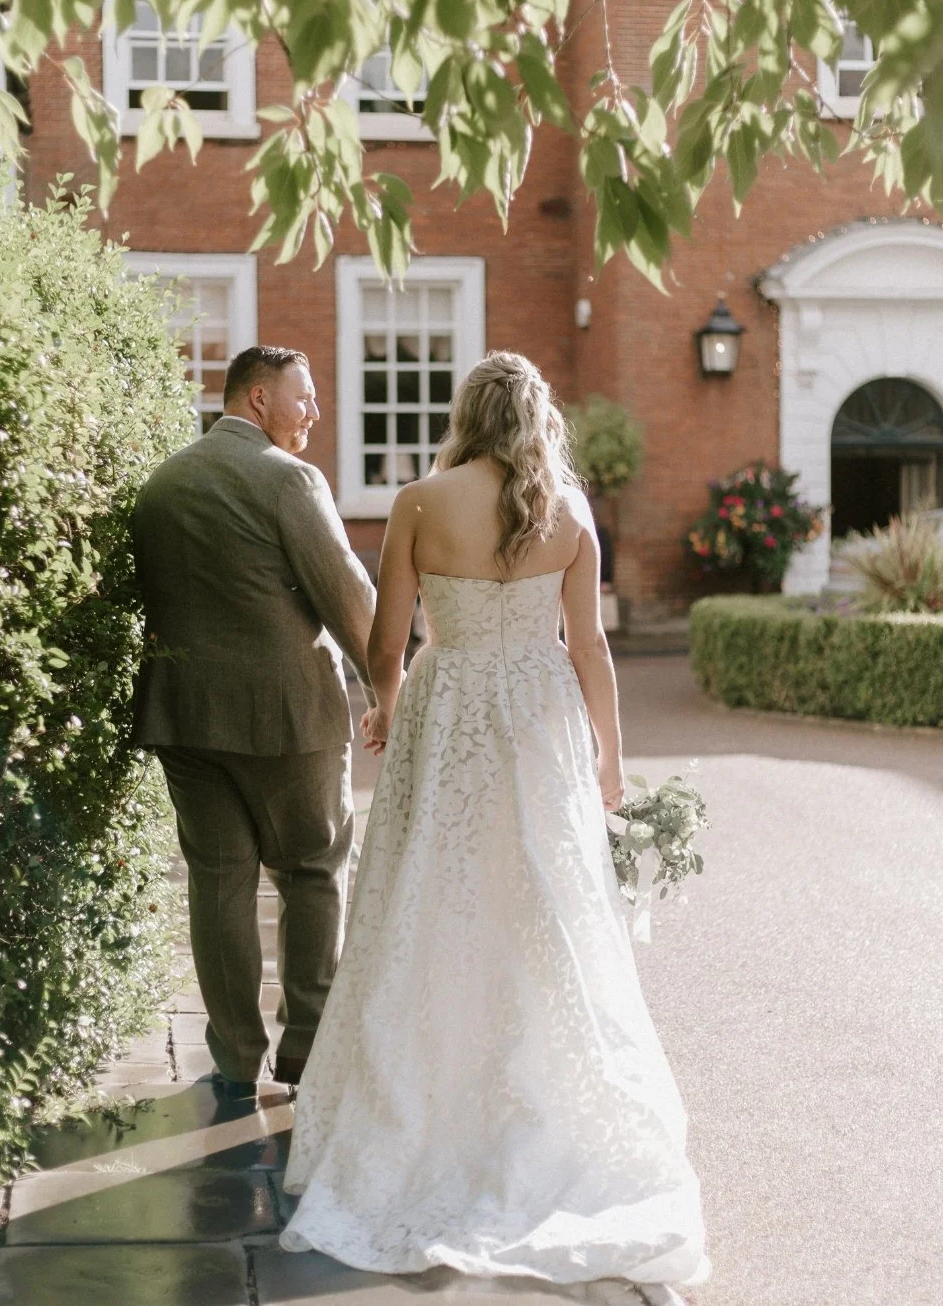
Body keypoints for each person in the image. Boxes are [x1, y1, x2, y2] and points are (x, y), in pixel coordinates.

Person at [280, 350, 708, 1288]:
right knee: (544, 904)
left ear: (467, 413)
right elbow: (589, 648)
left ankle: (422, 1104)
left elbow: (387, 641)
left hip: (449, 716)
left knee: (432, 896)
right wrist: (610, 758)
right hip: (542, 721)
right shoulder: (572, 510)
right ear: (538, 415)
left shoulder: (421, 502)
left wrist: (388, 704)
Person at [131, 346, 376, 1093]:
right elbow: (347, 595)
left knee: (218, 883)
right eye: (304, 398)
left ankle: (236, 1056)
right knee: (311, 869)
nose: (314, 413)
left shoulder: (162, 483)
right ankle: (306, 1042)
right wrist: (392, 686)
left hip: (183, 714)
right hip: (286, 717)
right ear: (259, 398)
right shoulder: (288, 478)